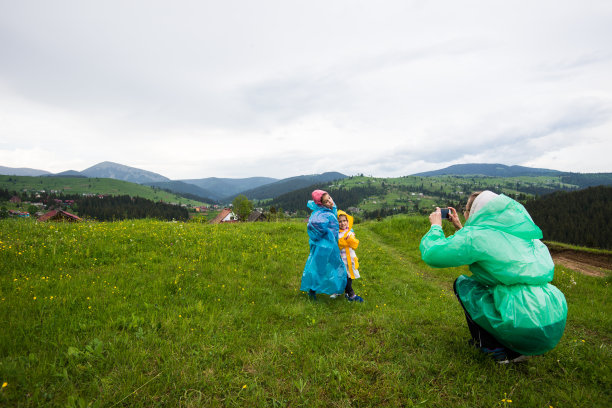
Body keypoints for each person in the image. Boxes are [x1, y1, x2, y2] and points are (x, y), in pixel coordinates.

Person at [419, 191, 567, 363]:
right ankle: (521, 346)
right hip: (552, 318)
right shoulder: (524, 235)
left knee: (464, 285)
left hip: (521, 322)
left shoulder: (476, 237)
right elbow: (491, 248)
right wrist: (461, 227)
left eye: (467, 210)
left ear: (474, 212)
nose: (466, 214)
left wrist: (436, 227)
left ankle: (496, 350)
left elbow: (433, 254)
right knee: (496, 288)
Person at [300, 190, 347, 300]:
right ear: (321, 204)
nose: (330, 201)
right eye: (326, 201)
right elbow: (314, 227)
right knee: (319, 269)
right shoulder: (320, 214)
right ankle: (312, 291)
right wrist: (326, 236)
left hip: (331, 246)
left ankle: (337, 289)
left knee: (335, 266)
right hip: (323, 247)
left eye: (329, 198)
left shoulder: (330, 210)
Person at [336, 210, 364, 302]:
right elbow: (338, 245)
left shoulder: (350, 232)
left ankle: (347, 293)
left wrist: (350, 239)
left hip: (350, 259)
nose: (342, 223)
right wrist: (344, 240)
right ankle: (351, 294)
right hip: (341, 260)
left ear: (348, 222)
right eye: (340, 221)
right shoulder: (337, 234)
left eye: (344, 221)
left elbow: (355, 245)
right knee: (343, 276)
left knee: (349, 276)